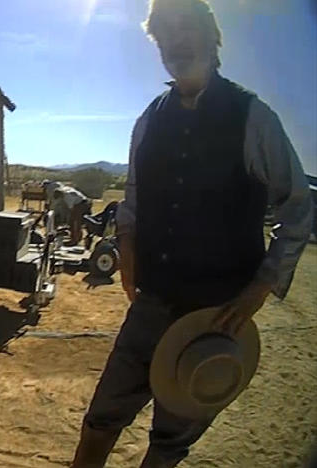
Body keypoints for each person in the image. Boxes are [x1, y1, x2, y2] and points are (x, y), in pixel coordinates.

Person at [70, 1, 313, 467]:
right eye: (164, 36)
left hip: (217, 317)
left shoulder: (252, 117)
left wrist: (262, 287)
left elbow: (298, 207)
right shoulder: (150, 119)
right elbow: (134, 200)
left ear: (212, 37)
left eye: (186, 30)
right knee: (101, 420)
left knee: (169, 444)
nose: (176, 43)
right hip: (152, 304)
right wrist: (126, 250)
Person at [43, 181, 92, 245]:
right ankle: (76, 238)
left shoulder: (67, 197)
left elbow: (72, 209)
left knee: (75, 222)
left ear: (60, 195)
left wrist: (68, 218)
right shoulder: (65, 189)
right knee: (74, 222)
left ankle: (74, 240)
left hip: (81, 204)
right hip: (83, 202)